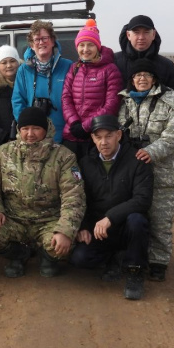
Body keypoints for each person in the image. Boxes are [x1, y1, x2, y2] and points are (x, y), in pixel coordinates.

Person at [0, 107, 85, 278]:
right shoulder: (2, 153)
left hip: (49, 221)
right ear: (19, 129)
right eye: (25, 128)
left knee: (65, 242)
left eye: (36, 128)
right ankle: (19, 255)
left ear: (46, 129)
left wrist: (64, 230)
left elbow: (74, 195)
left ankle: (47, 257)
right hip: (14, 219)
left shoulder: (64, 156)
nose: (30, 133)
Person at [70, 115, 153, 300]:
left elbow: (142, 200)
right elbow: (78, 197)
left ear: (118, 135)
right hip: (99, 230)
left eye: (108, 136)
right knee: (79, 259)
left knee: (137, 219)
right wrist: (82, 226)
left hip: (125, 227)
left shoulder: (137, 160)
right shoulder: (86, 163)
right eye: (98, 137)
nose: (104, 142)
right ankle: (113, 258)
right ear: (92, 138)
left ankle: (135, 271)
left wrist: (111, 217)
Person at [118, 59, 174, 282]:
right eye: (138, 76)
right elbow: (117, 133)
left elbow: (173, 137)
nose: (142, 79)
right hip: (133, 170)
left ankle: (158, 263)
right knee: (134, 216)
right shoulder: (124, 101)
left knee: (160, 219)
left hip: (161, 171)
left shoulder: (170, 102)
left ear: (154, 79)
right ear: (132, 79)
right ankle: (134, 257)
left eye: (146, 75)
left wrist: (151, 152)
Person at [61, 19, 122, 160]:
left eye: (90, 45)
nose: (85, 49)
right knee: (70, 176)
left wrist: (86, 127)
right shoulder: (74, 68)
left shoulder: (110, 69)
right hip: (72, 134)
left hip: (97, 136)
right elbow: (66, 98)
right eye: (81, 45)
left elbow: (111, 104)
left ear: (98, 47)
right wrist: (74, 123)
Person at [12, 20, 72, 143]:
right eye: (37, 39)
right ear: (32, 45)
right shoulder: (24, 70)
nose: (41, 42)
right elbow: (17, 101)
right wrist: (27, 129)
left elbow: (75, 99)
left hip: (63, 134)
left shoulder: (67, 66)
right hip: (33, 137)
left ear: (52, 41)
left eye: (45, 38)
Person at [114, 15, 174, 100]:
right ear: (128, 35)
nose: (141, 37)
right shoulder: (114, 62)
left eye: (146, 32)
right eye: (136, 32)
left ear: (153, 34)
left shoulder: (167, 65)